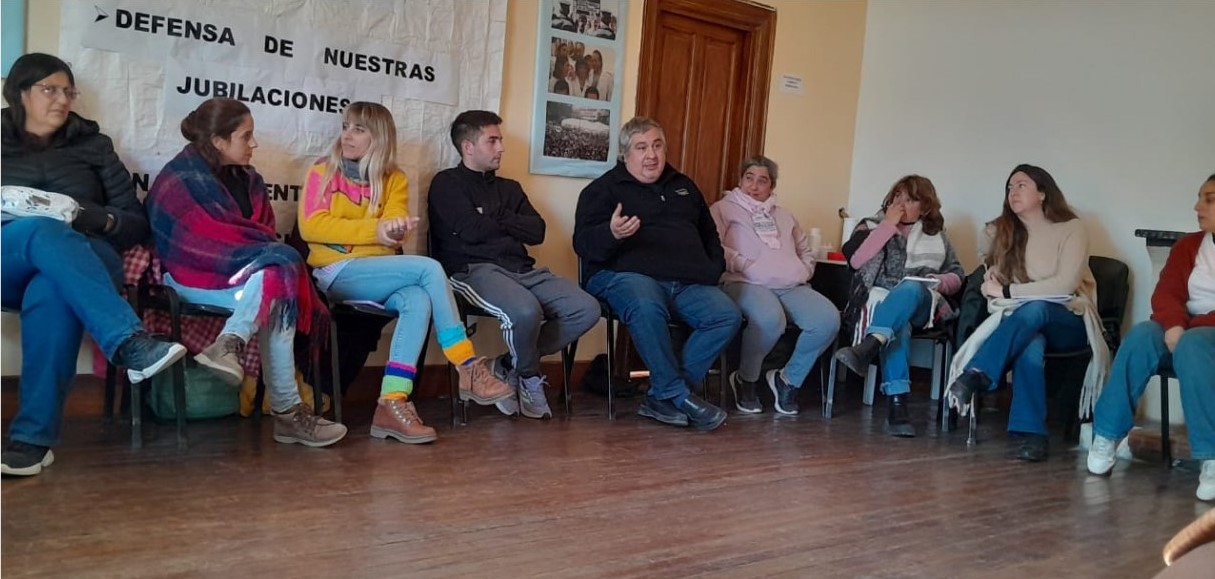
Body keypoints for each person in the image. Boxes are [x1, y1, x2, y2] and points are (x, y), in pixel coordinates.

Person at [0, 53, 187, 476]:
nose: (62, 100)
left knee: (53, 289)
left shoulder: (94, 145)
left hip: (85, 255)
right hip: (8, 255)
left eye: (68, 91)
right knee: (41, 230)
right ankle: (129, 342)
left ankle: (31, 442)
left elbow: (135, 223)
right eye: (49, 89)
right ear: (19, 93)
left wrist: (93, 218)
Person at [300, 103, 514, 442]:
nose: (347, 135)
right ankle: (467, 365)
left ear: (379, 137)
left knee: (417, 300)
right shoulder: (322, 171)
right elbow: (313, 227)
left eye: (358, 129)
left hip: (378, 273)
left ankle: (392, 401)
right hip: (335, 272)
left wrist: (391, 233)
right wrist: (376, 231)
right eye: (345, 127)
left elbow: (392, 229)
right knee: (429, 268)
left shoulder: (394, 178)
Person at [146, 97, 347, 448]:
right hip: (190, 277)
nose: (254, 144)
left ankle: (229, 344)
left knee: (277, 281)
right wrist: (249, 259)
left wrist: (252, 260)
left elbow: (262, 237)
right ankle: (287, 413)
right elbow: (188, 244)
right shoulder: (178, 178)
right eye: (246, 136)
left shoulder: (251, 181)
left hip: (247, 279)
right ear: (218, 141)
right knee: (279, 273)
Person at [574, 116, 740, 431]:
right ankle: (676, 394)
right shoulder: (602, 190)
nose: (651, 155)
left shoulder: (684, 186)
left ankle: (661, 397)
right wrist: (612, 234)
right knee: (646, 303)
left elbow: (710, 235)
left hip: (687, 281)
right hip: (622, 276)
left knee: (725, 315)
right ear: (625, 154)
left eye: (657, 145)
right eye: (641, 147)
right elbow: (583, 245)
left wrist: (711, 269)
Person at [430, 110, 598, 419]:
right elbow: (470, 230)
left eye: (500, 140)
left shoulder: (510, 188)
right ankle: (530, 377)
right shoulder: (446, 184)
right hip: (473, 270)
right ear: (468, 147)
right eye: (492, 141)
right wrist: (508, 222)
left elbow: (537, 231)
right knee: (525, 311)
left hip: (522, 269)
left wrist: (493, 215)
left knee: (586, 308)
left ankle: (508, 365)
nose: (501, 148)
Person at [946, 164, 1109, 461]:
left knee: (1037, 309)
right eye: (1009, 187)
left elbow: (1064, 284)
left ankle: (977, 372)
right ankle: (1032, 435)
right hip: (1025, 323)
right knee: (1030, 344)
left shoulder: (1072, 228)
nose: (1013, 192)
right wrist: (991, 281)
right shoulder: (1006, 233)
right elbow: (992, 282)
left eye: (1021, 185)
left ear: (1043, 193)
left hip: (1070, 319)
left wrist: (1009, 292)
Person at [1087, 174, 1215, 500]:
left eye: (1209, 199)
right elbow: (1166, 292)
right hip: (1182, 330)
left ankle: (1211, 456)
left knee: (1195, 343)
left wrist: (1188, 327)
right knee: (1143, 334)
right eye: (1199, 197)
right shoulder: (1189, 246)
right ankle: (1107, 434)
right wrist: (1173, 324)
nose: (1197, 206)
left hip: (1201, 336)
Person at [832, 175, 965, 436]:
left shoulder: (937, 236)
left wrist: (937, 281)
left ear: (925, 207)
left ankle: (868, 346)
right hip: (883, 304)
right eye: (897, 196)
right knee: (897, 326)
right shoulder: (870, 226)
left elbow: (958, 275)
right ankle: (897, 405)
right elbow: (856, 261)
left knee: (910, 288)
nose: (901, 204)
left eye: (910, 199)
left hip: (924, 304)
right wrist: (887, 226)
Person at [711, 156, 840, 415]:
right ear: (740, 180)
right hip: (745, 281)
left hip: (790, 285)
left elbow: (805, 250)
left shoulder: (785, 216)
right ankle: (746, 379)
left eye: (762, 180)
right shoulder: (723, 209)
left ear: (772, 186)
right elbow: (714, 246)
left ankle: (788, 380)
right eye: (749, 178)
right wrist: (744, 264)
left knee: (828, 320)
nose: (754, 186)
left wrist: (804, 269)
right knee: (770, 319)